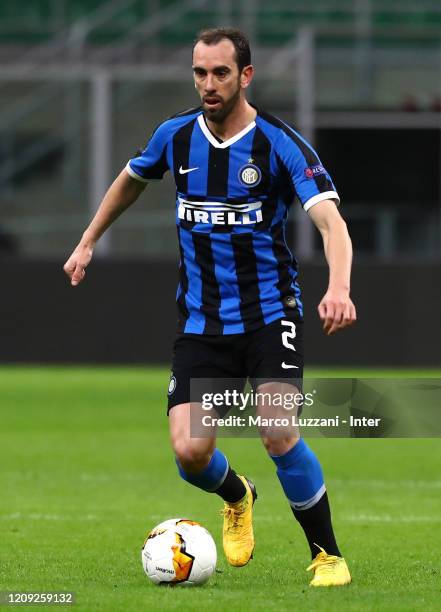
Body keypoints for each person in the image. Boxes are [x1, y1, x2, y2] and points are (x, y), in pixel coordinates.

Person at [64, 27, 356, 587]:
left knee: (277, 430)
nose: (208, 84)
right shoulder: (175, 136)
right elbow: (132, 178)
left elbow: (331, 222)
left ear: (245, 76)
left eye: (221, 73)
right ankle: (238, 494)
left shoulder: (279, 142)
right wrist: (87, 240)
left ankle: (327, 555)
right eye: (200, 73)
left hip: (272, 315)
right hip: (201, 326)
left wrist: (338, 286)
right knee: (191, 452)